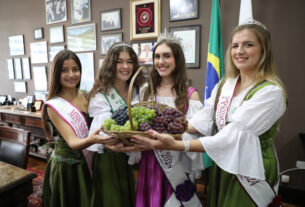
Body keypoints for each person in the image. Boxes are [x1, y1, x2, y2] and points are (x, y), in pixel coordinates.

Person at [132, 19, 287, 207]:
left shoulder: (271, 92)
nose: (239, 51)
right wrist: (172, 131)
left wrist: (178, 144)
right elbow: (204, 119)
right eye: (235, 45)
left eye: (249, 45)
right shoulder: (226, 84)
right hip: (224, 163)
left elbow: (232, 137)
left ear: (264, 50)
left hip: (251, 169)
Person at [135, 34, 204, 207]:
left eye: (167, 56)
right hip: (151, 160)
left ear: (177, 59)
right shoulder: (147, 92)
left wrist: (173, 138)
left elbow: (196, 133)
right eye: (157, 56)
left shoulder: (190, 94)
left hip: (178, 163)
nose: (161, 61)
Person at [42, 49, 116, 207]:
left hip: (87, 162)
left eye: (75, 69)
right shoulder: (53, 106)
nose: (71, 74)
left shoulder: (87, 96)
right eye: (64, 70)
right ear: (56, 74)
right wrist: (93, 139)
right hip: (67, 167)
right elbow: (73, 142)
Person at [87, 42, 145, 207]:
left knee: (126, 196)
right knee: (111, 200)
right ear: (111, 64)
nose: (125, 66)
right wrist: (115, 146)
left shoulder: (138, 90)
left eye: (129, 61)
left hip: (129, 155)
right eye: (119, 61)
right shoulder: (101, 94)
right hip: (108, 156)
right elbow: (101, 132)